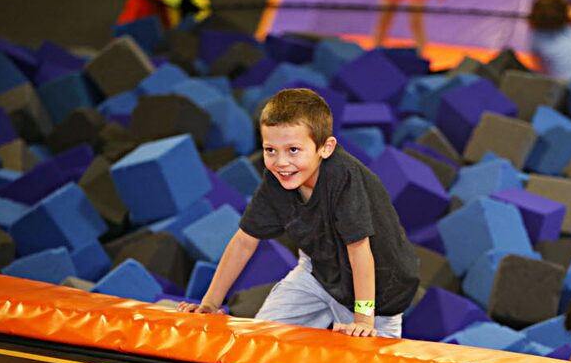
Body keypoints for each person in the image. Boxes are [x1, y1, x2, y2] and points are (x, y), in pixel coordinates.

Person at [177, 88, 419, 338]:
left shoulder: (342, 177)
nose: (281, 162)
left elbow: (359, 250)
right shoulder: (278, 179)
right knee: (261, 340)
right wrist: (209, 304)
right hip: (319, 272)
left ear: (325, 148)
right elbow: (244, 242)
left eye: (293, 150)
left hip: (376, 291)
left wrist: (364, 320)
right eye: (270, 150)